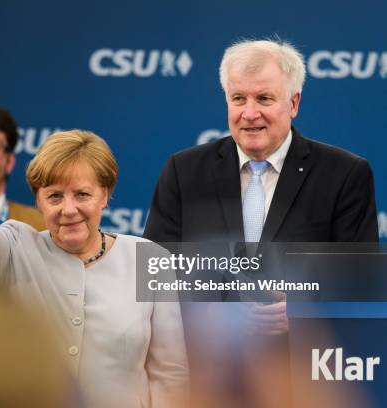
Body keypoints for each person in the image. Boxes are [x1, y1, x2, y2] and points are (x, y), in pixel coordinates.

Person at [0, 62, 188, 408]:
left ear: (105, 195)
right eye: (54, 196)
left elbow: (170, 374)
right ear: (38, 200)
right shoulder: (16, 248)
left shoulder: (149, 260)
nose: (68, 209)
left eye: (82, 194)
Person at [143, 38, 379, 403]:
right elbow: (157, 272)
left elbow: (359, 281)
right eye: (239, 99)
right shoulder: (184, 171)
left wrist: (301, 308)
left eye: (264, 99)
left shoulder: (345, 174)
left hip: (303, 376)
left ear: (294, 103)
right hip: (205, 376)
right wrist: (221, 314)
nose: (249, 113)